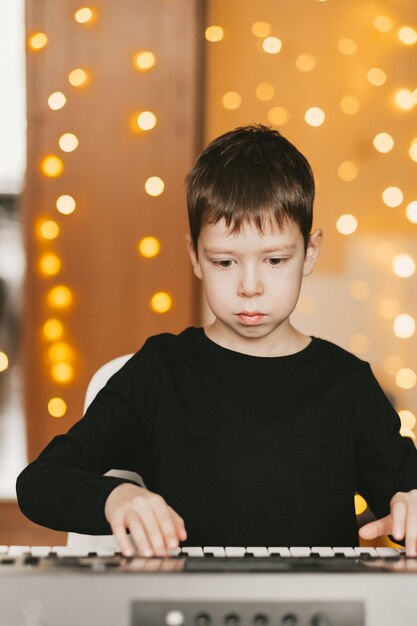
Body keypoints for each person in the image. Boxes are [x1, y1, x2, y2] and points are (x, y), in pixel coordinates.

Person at [16, 125, 417, 557]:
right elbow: (40, 482)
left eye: (275, 260)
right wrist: (117, 497)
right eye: (225, 261)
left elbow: (404, 495)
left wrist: (409, 510)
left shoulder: (347, 384)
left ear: (310, 252)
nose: (249, 286)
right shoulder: (161, 370)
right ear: (195, 256)